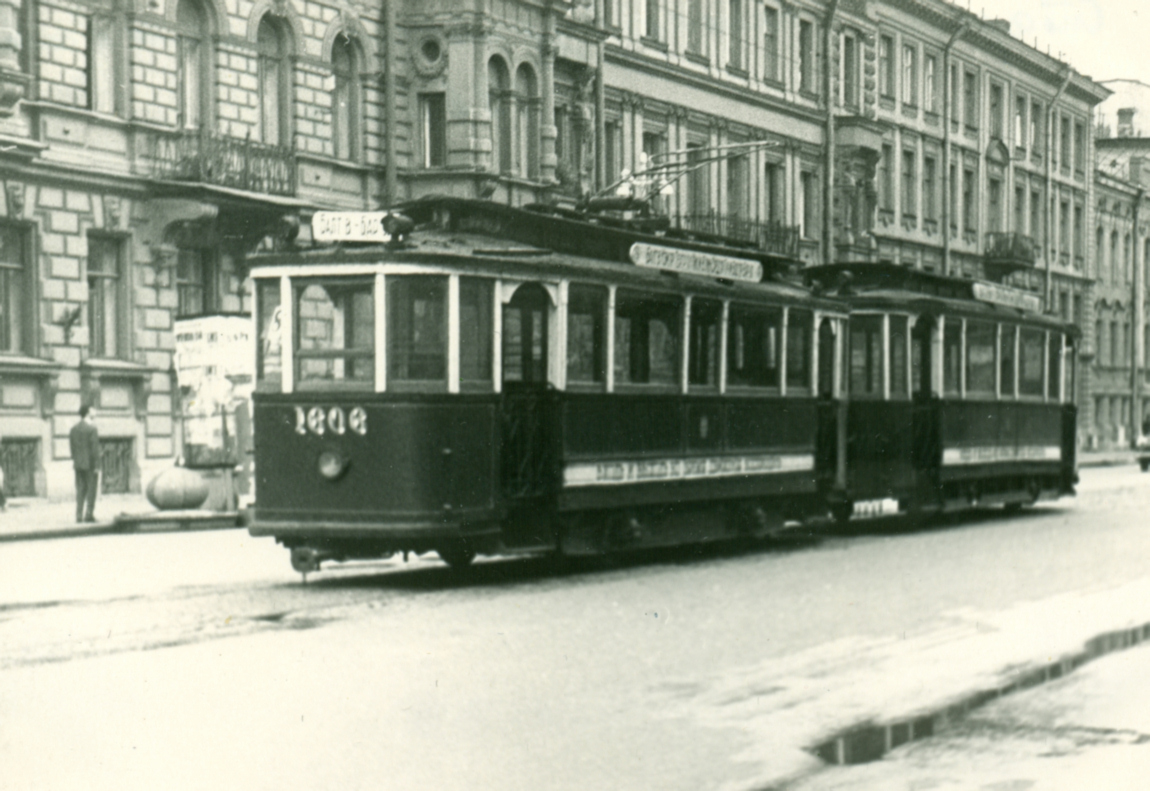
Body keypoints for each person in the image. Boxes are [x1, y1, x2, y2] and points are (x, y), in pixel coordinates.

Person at [69, 405, 100, 523]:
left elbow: (72, 448)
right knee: (91, 489)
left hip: (78, 464)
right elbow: (94, 449)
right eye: (93, 409)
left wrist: (76, 460)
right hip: (90, 465)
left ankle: (78, 515)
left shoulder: (74, 428)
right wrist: (97, 465)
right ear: (88, 413)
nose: (95, 411)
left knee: (80, 489)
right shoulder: (92, 428)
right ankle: (89, 514)